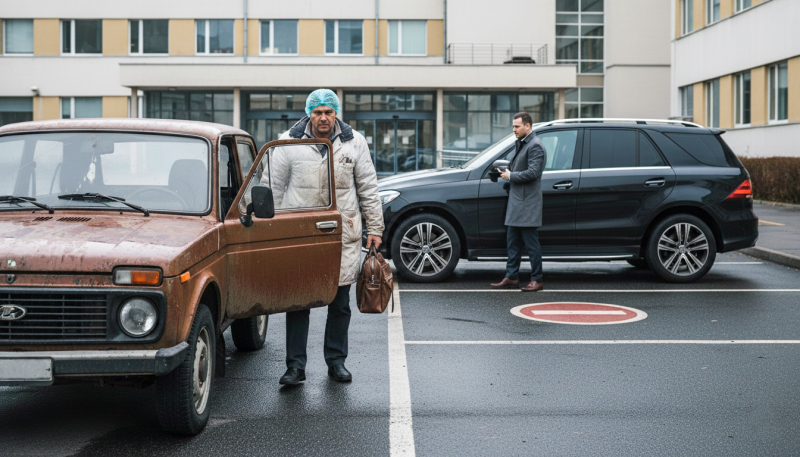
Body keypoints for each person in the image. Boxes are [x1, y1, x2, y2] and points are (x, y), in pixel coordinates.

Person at [271, 89, 384, 385]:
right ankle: (295, 366)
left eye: (329, 112)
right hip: (301, 232)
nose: (323, 117)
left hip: (341, 232)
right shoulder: (288, 142)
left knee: (340, 302)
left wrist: (375, 229)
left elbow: (368, 188)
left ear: (336, 114)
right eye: (318, 112)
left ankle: (336, 362)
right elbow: (272, 188)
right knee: (298, 303)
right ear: (309, 113)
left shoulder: (354, 142)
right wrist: (269, 229)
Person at [490, 112, 545, 292]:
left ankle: (537, 280)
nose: (514, 129)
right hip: (517, 202)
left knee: (531, 244)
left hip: (527, 203)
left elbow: (533, 173)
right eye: (513, 126)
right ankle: (512, 277)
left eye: (517, 126)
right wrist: (506, 171)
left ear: (527, 126)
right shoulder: (522, 143)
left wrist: (510, 175)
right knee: (512, 242)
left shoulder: (535, 145)